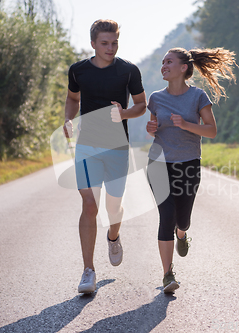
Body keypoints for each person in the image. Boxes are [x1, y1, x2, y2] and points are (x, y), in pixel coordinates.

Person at [63, 19, 146, 294]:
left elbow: (141, 105)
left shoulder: (128, 70)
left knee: (113, 207)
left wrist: (123, 113)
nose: (110, 48)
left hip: (117, 147)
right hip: (87, 146)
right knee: (89, 205)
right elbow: (73, 98)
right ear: (93, 44)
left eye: (114, 43)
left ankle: (113, 236)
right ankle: (88, 271)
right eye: (104, 43)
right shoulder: (78, 71)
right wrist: (67, 119)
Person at [146, 47, 237, 293]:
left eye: (169, 61)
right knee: (166, 215)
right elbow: (155, 128)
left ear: (183, 67)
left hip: (188, 163)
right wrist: (151, 128)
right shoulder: (155, 97)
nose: (163, 65)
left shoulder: (197, 96)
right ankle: (167, 274)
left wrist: (186, 124)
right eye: (162, 62)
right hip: (159, 162)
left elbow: (211, 130)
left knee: (182, 218)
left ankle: (182, 233)